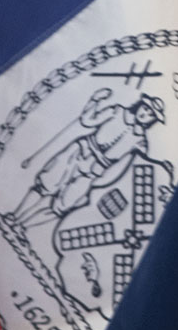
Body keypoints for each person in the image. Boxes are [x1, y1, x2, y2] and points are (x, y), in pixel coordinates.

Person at [11, 88, 166, 229]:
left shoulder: (141, 142)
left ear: (152, 120)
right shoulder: (117, 111)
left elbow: (138, 164)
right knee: (47, 183)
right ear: (140, 105)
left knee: (63, 206)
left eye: (151, 114)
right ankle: (14, 217)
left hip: (95, 170)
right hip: (81, 150)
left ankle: (22, 227)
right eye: (146, 108)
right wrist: (95, 100)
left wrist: (162, 168)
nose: (145, 114)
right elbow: (87, 121)